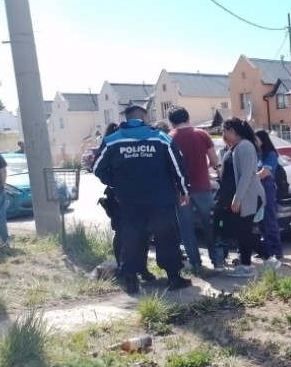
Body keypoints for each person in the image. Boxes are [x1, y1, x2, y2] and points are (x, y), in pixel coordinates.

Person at [93, 105, 191, 293]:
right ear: (144, 117)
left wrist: (116, 184)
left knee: (132, 237)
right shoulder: (161, 138)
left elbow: (98, 167)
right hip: (161, 199)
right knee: (167, 237)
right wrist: (184, 190)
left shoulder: (112, 140)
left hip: (129, 201)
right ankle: (173, 278)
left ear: (127, 118)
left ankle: (131, 281)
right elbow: (177, 167)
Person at [210, 118, 274, 278]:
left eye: (224, 131)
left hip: (248, 197)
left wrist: (237, 199)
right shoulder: (238, 147)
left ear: (231, 131)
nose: (222, 135)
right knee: (242, 232)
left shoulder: (245, 146)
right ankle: (254, 263)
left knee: (243, 232)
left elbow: (246, 175)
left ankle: (260, 261)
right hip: (241, 197)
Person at [96, 122, 155, 283]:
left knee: (140, 234)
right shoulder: (112, 144)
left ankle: (139, 270)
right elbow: (99, 169)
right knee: (126, 234)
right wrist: (116, 184)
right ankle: (127, 270)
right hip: (119, 197)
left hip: (135, 196)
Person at [167, 105, 220, 271]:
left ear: (171, 122)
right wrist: (205, 167)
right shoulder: (201, 134)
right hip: (203, 185)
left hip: (181, 191)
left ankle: (196, 263)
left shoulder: (169, 137)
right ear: (188, 117)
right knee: (211, 224)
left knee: (186, 228)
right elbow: (214, 160)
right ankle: (217, 261)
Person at [253, 130, 283, 262]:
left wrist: (248, 178)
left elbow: (264, 173)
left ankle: (276, 250)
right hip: (257, 188)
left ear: (262, 140)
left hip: (267, 187)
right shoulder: (258, 155)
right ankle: (266, 249)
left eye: (256, 139)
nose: (254, 142)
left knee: (269, 219)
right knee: (260, 220)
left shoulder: (270, 155)